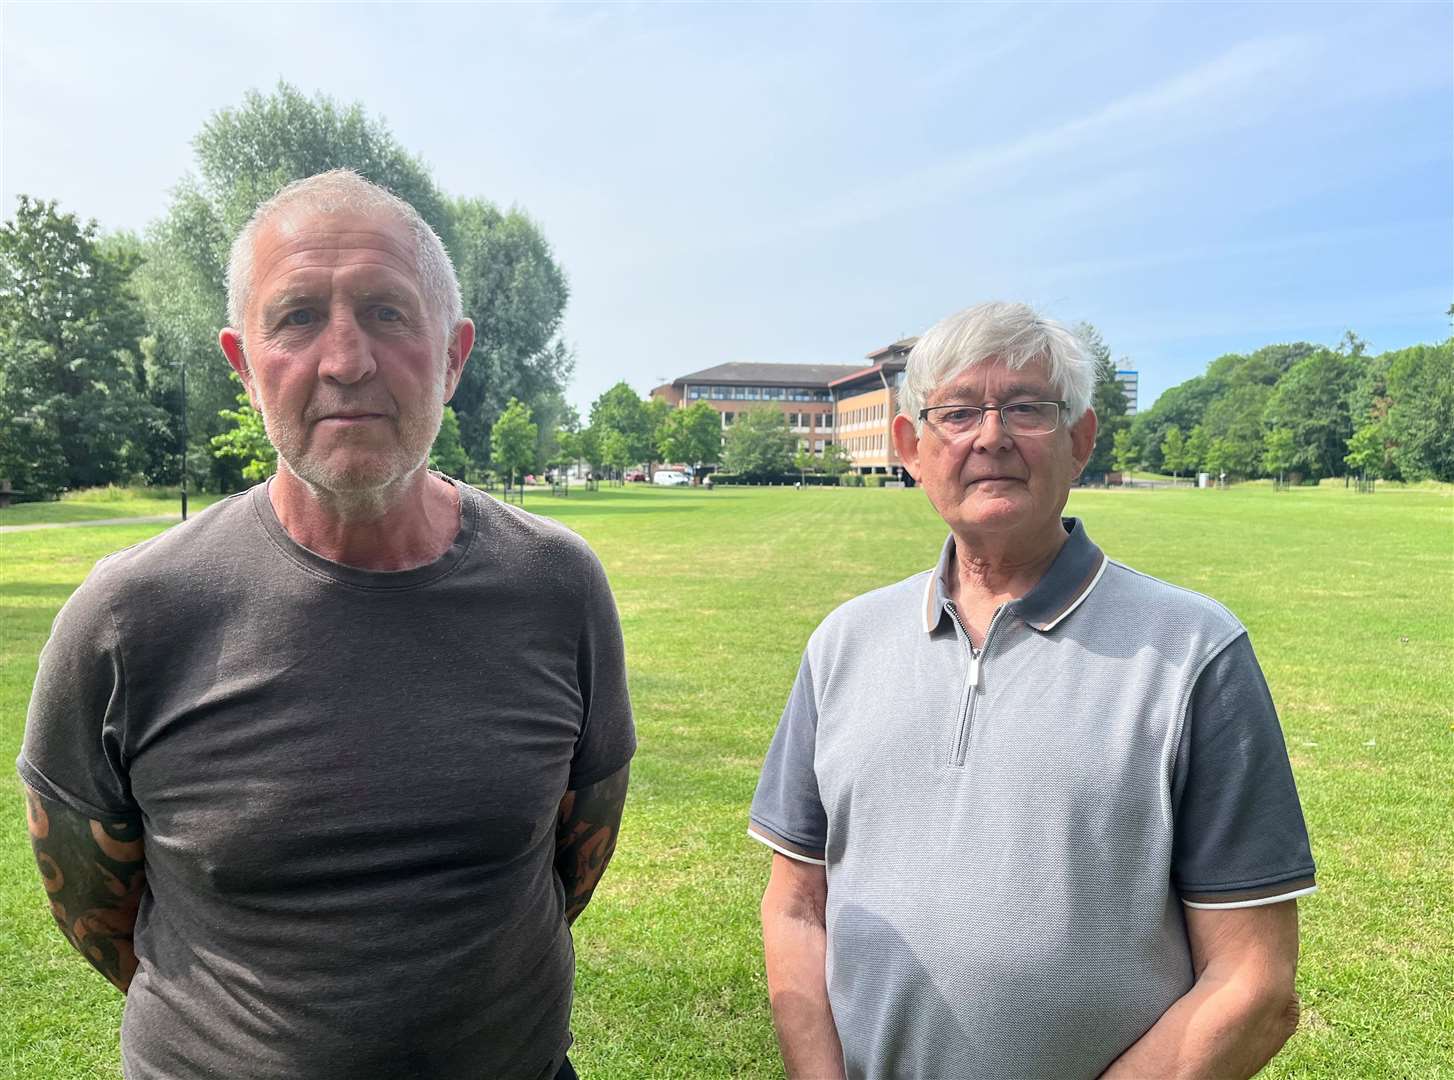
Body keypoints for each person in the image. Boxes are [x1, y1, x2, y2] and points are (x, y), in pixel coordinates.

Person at [19, 170, 634, 1080]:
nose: (345, 360)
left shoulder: (557, 585)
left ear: (454, 354)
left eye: (388, 312)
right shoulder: (128, 618)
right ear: (243, 362)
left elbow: (574, 855)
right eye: (297, 316)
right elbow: (92, 906)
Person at [750, 301, 1314, 1080]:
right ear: (911, 446)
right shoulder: (842, 644)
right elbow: (795, 907)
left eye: (1026, 408)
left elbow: (1254, 984)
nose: (991, 437)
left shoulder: (1194, 653)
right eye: (957, 413)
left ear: (1080, 440)